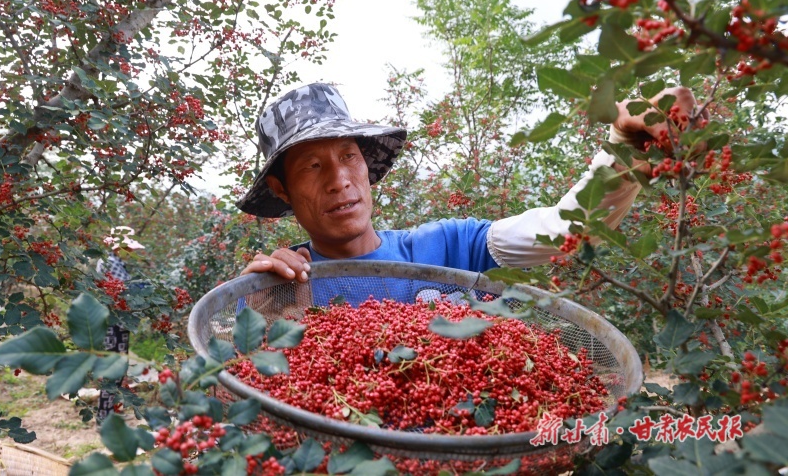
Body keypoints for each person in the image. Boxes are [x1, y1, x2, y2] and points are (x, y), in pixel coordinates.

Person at [236, 82, 700, 293]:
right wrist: (267, 304)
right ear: (281, 190)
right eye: (313, 167)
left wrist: (625, 143)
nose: (340, 180)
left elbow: (568, 230)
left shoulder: (452, 247)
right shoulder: (284, 283)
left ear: (366, 166)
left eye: (348, 157)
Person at [95, 226, 145, 423]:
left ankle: (111, 413)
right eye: (128, 248)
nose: (131, 252)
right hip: (112, 322)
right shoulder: (110, 262)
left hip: (116, 321)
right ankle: (105, 417)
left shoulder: (114, 262)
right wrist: (142, 289)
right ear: (120, 247)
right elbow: (124, 291)